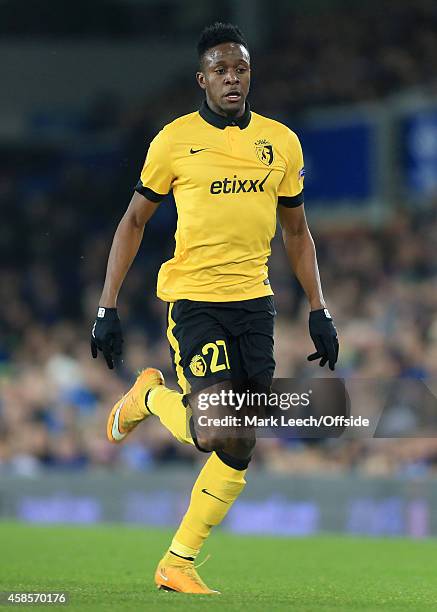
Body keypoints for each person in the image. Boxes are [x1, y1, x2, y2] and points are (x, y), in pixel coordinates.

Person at [90, 22, 339, 594]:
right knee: (217, 428)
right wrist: (107, 306)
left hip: (256, 305)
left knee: (242, 440)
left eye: (241, 69)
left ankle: (178, 562)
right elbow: (133, 222)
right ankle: (150, 394)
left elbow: (297, 232)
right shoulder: (173, 141)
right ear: (202, 79)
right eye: (221, 70)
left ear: (250, 74)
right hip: (195, 300)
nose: (232, 79)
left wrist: (319, 309)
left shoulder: (282, 142)